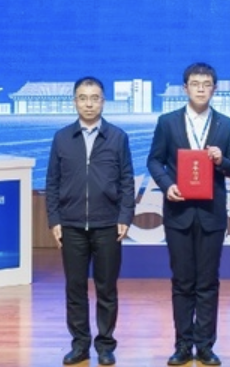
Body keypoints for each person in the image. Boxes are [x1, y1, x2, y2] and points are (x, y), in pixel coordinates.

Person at [146, 63, 230, 367]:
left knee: (208, 282)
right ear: (185, 88)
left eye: (206, 84)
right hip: (179, 212)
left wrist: (222, 160)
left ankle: (205, 346)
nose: (201, 89)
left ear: (215, 88)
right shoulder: (167, 122)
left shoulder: (227, 125)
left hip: (212, 214)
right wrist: (167, 185)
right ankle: (182, 345)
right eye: (195, 83)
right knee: (182, 281)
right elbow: (154, 161)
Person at [45, 77, 136, 366]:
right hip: (71, 225)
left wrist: (125, 216)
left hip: (108, 224)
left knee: (106, 288)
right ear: (74, 101)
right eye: (83, 98)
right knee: (75, 288)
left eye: (94, 98)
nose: (88, 104)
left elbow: (127, 180)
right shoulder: (62, 138)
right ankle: (80, 344)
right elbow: (52, 182)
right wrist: (54, 219)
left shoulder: (117, 137)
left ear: (103, 102)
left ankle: (105, 345)